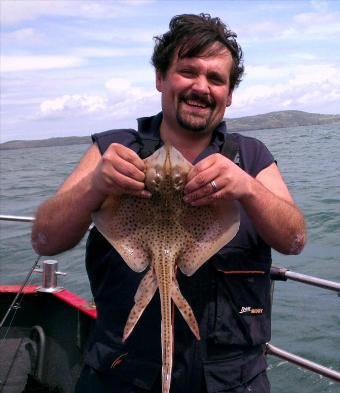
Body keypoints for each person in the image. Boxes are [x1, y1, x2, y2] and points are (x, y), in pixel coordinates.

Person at [31, 13, 306, 393]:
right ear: (161, 78)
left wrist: (248, 188)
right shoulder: (114, 149)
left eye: (215, 79)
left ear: (228, 95)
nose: (201, 86)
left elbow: (295, 240)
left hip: (231, 378)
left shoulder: (251, 156)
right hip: (122, 372)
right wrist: (95, 184)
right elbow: (44, 240)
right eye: (188, 71)